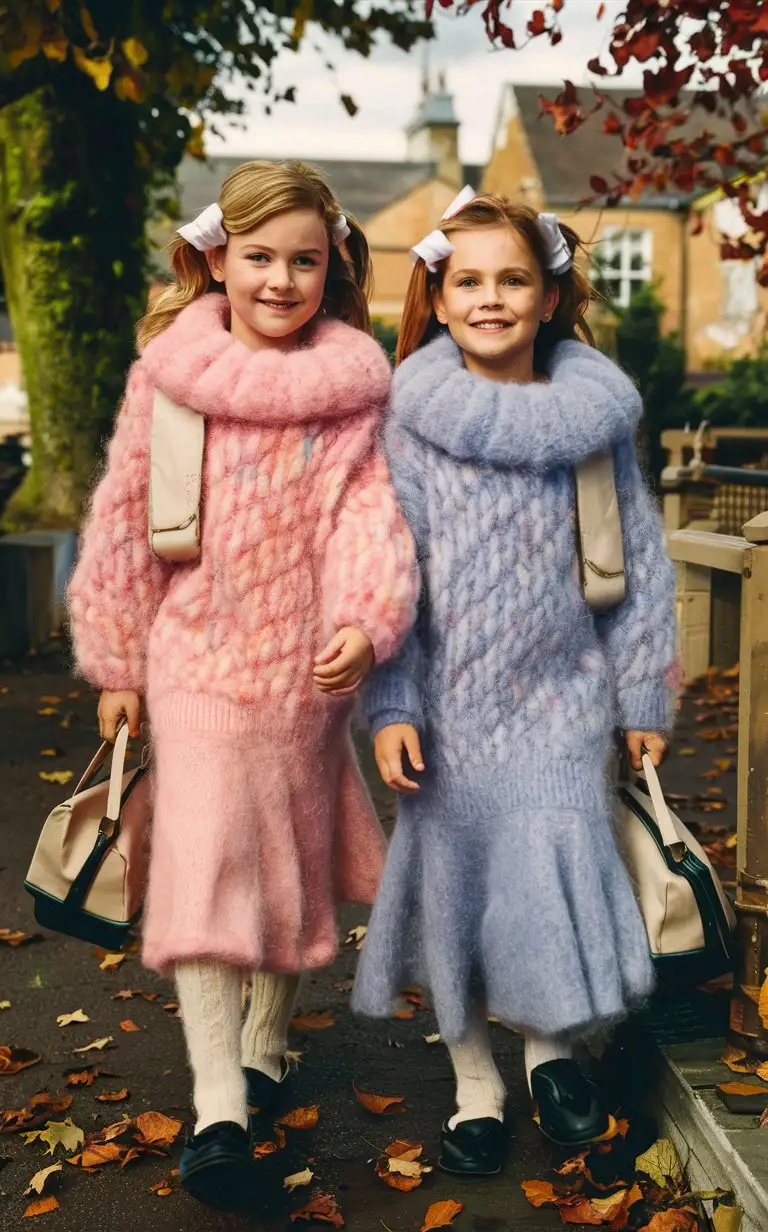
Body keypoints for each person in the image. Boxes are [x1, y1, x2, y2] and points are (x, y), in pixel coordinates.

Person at [67, 160, 419, 1208]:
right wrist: (118, 657)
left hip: (307, 667)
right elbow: (124, 518)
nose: (279, 279)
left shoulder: (356, 387)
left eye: (304, 259)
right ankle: (220, 1106)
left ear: (333, 265)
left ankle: (266, 1037)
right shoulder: (168, 377)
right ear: (215, 256)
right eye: (259, 256)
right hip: (197, 657)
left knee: (293, 860)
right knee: (213, 855)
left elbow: (374, 516)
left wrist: (364, 619)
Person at [352, 189, 677, 1176]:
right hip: (448, 707)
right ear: (441, 298)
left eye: (513, 280)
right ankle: (474, 1085)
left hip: (565, 697)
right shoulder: (409, 426)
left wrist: (642, 696)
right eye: (471, 281)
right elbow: (386, 577)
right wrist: (392, 703)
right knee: (456, 894)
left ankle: (546, 1057)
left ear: (548, 296)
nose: (491, 297)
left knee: (552, 871)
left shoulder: (591, 421)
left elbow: (639, 567)